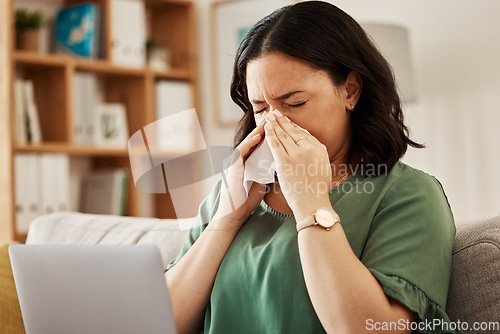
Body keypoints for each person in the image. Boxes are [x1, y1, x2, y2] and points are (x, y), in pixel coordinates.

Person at [165, 1, 458, 333]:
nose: (275, 123)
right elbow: (160, 323)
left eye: (295, 103)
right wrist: (226, 220)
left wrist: (311, 204)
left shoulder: (408, 196)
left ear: (350, 90)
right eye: (261, 108)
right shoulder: (234, 189)